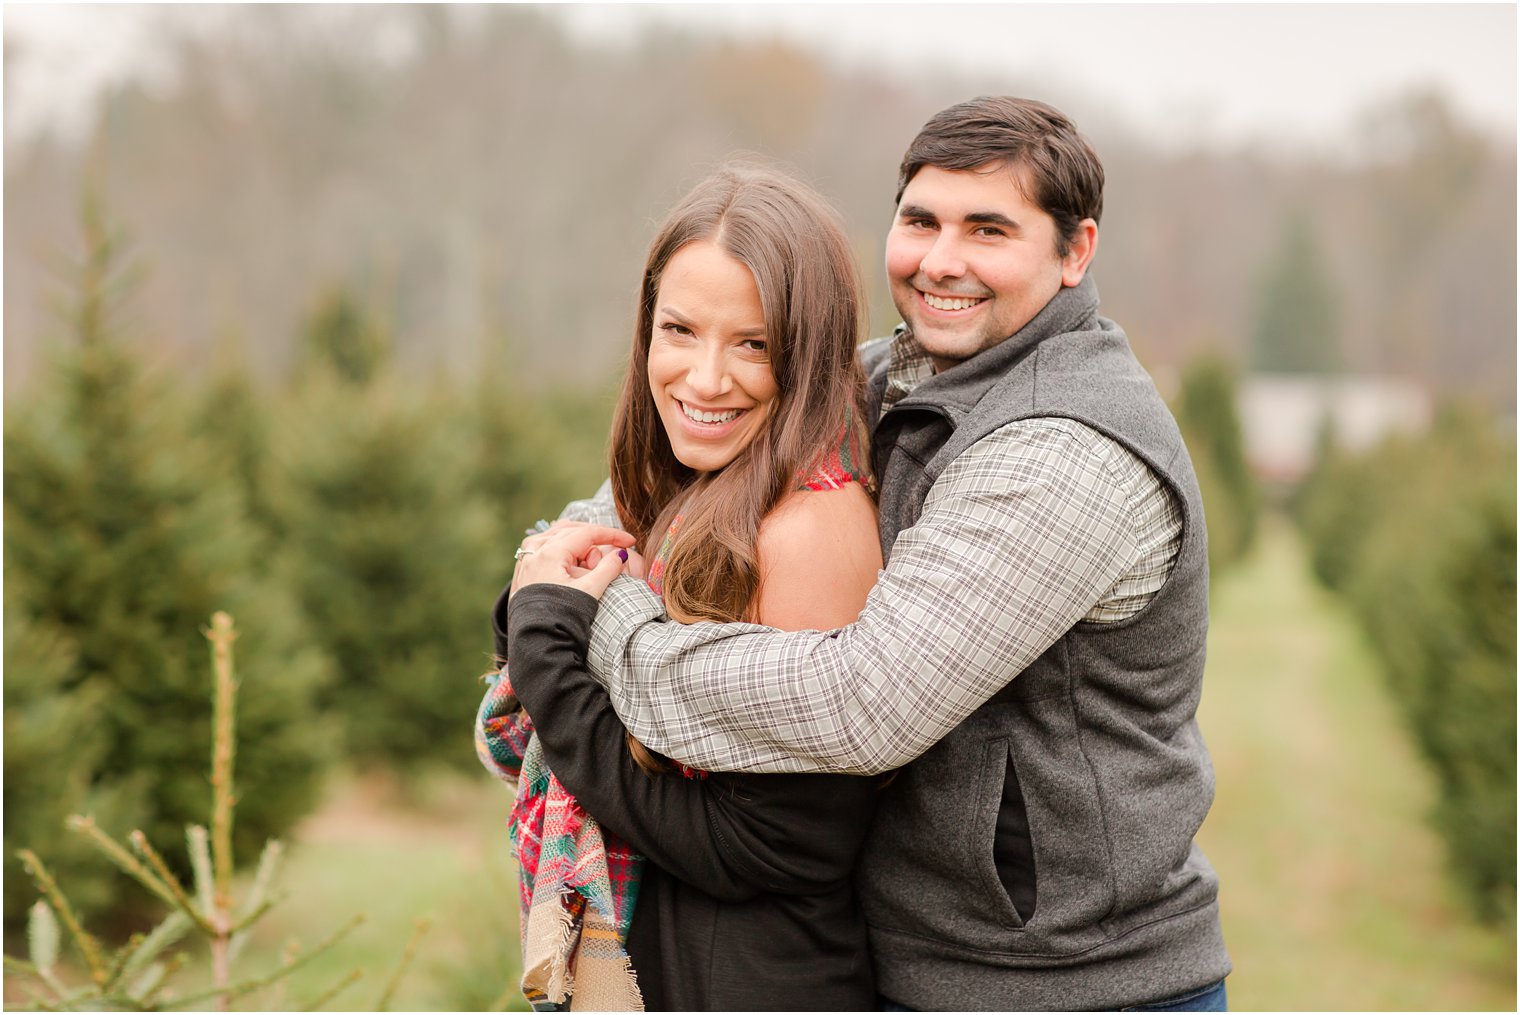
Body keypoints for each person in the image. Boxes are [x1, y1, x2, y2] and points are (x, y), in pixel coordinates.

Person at [525, 97, 1233, 1011]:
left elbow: (865, 704)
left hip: (1068, 987)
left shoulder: (1068, 450)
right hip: (903, 959)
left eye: (989, 229)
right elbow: (664, 479)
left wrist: (602, 615)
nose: (943, 259)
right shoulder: (879, 379)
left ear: (1075, 251)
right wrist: (565, 547)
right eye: (921, 221)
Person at [476, 164, 885, 1011]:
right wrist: (542, 600)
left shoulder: (810, 528)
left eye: (754, 344)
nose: (704, 378)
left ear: (807, 353)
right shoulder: (694, 481)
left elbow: (774, 844)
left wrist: (550, 655)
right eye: (681, 330)